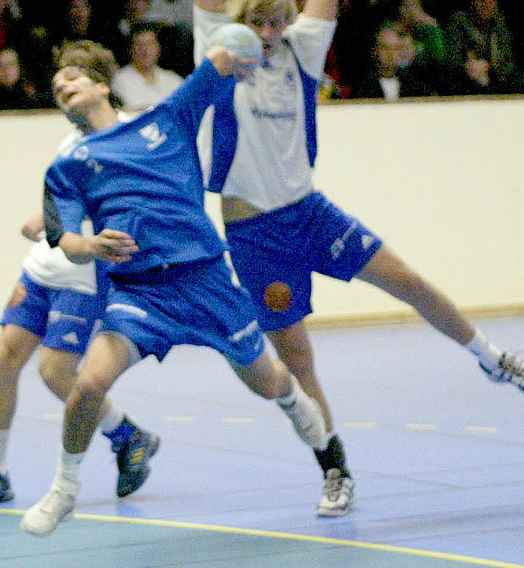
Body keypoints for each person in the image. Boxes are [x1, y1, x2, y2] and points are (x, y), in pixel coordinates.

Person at [191, 0, 524, 515]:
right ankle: (335, 470)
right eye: (260, 21)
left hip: (309, 212)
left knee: (404, 279)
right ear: (240, 22)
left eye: (279, 21)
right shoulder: (218, 51)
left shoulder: (301, 53)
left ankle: (491, 359)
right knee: (296, 355)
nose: (270, 33)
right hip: (252, 233)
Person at [20, 39, 330, 536]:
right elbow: (68, 242)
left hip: (206, 280)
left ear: (104, 86)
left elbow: (219, 62)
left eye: (73, 78)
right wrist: (93, 244)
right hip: (141, 294)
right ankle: (64, 489)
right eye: (57, 87)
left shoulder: (166, 118)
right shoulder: (69, 166)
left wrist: (243, 43)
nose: (63, 85)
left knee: (265, 382)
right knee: (88, 383)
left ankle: (294, 403)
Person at [0, 193, 158, 509]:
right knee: (6, 355)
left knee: (55, 371)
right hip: (40, 270)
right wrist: (46, 218)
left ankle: (126, 434)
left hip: (82, 279)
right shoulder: (71, 145)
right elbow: (65, 191)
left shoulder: (118, 149)